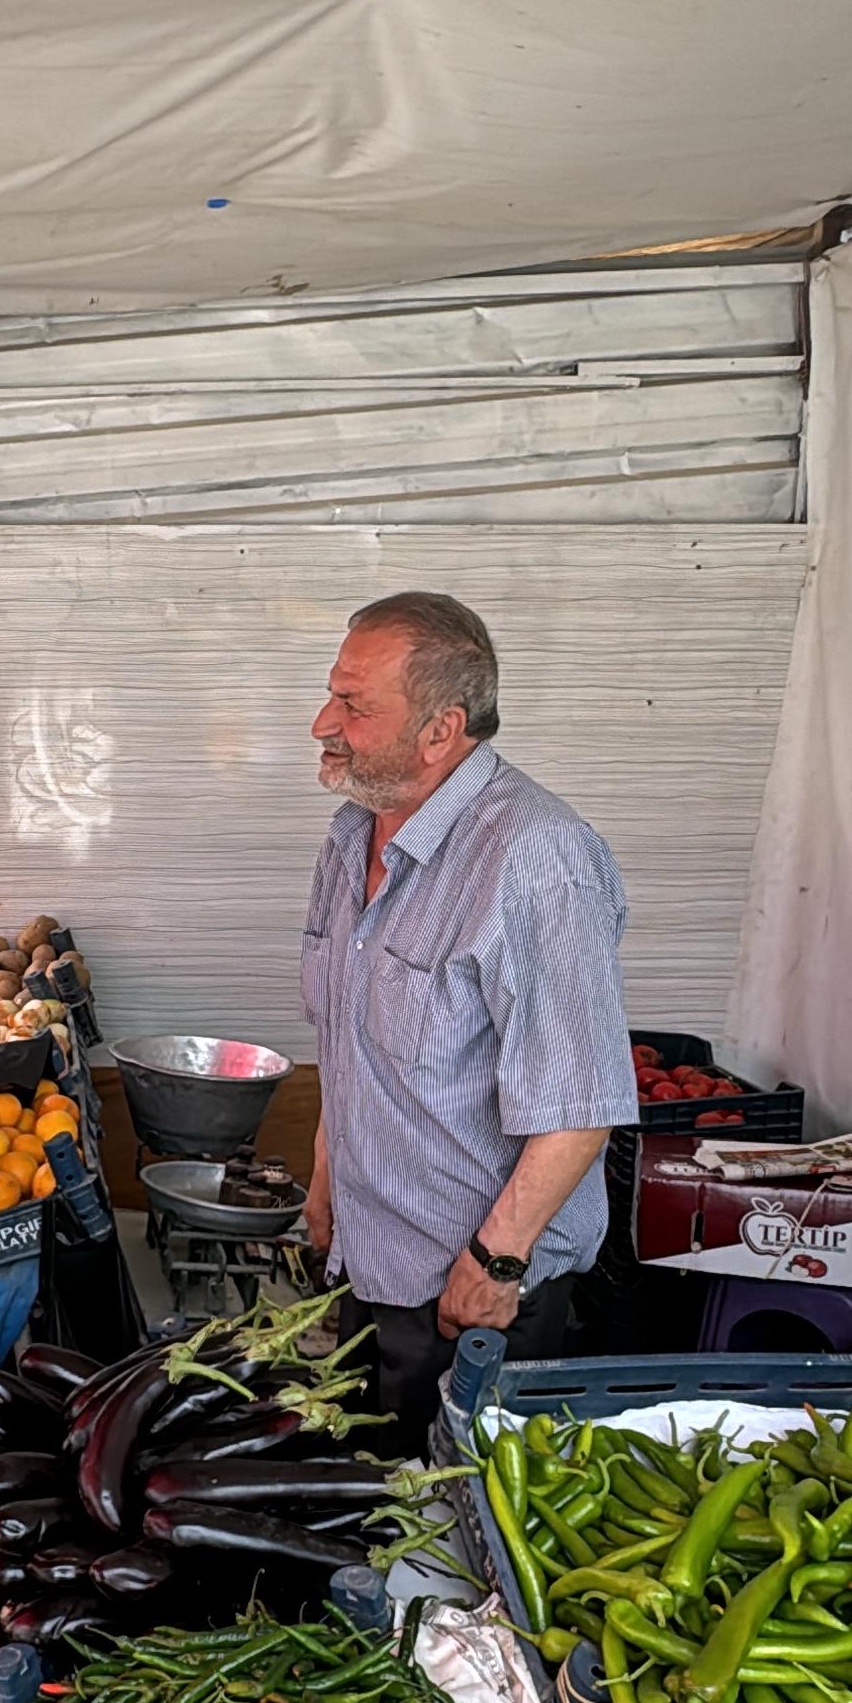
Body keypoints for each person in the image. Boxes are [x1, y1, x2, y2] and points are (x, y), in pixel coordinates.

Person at [300, 590, 637, 1452]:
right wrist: (326, 1176)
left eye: (354, 706)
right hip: (370, 1268)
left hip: (470, 1292)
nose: (322, 723)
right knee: (374, 1505)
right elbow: (349, 1045)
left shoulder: (536, 860)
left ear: (442, 729)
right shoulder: (350, 840)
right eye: (332, 694)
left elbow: (578, 1108)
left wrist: (495, 1263)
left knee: (450, 1537)